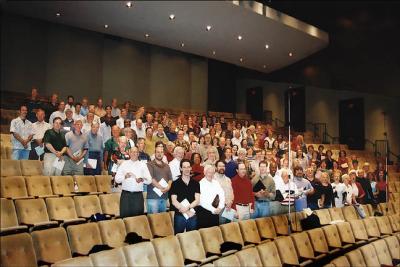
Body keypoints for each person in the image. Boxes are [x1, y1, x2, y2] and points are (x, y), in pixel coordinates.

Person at [115, 147, 152, 218]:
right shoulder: (124, 164)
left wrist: (142, 180)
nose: (134, 154)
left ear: (138, 154)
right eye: (132, 152)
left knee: (137, 219)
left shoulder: (143, 165)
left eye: (136, 152)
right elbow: (117, 179)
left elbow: (149, 180)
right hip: (125, 195)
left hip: (138, 196)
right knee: (125, 218)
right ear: (129, 153)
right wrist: (124, 176)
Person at [170, 159, 200, 233]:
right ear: (181, 168)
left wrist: (188, 208)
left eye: (188, 167)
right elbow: (174, 201)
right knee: (178, 238)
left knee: (191, 238)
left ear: (191, 168)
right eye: (184, 167)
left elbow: (197, 200)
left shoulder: (196, 183)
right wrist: (186, 211)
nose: (186, 169)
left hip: (192, 214)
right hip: (180, 215)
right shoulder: (175, 183)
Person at [146, 144, 173, 214]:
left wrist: (168, 187)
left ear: (163, 154)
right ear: (154, 153)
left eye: (161, 152)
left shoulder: (167, 166)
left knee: (161, 221)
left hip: (163, 197)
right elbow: (151, 179)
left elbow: (170, 179)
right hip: (153, 197)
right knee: (153, 221)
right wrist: (162, 188)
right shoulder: (149, 164)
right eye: (157, 152)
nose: (159, 154)